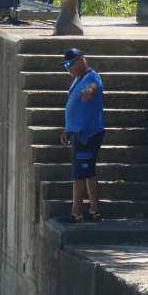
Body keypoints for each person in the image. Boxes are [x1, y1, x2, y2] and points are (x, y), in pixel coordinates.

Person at [60, 48, 104, 222]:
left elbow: (94, 87)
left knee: (80, 173)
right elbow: (74, 107)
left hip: (88, 134)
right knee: (86, 171)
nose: (67, 68)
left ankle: (76, 212)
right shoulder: (78, 79)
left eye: (69, 64)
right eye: (65, 65)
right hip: (78, 133)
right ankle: (94, 209)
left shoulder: (92, 77)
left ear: (81, 61)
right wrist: (67, 129)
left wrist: (89, 91)